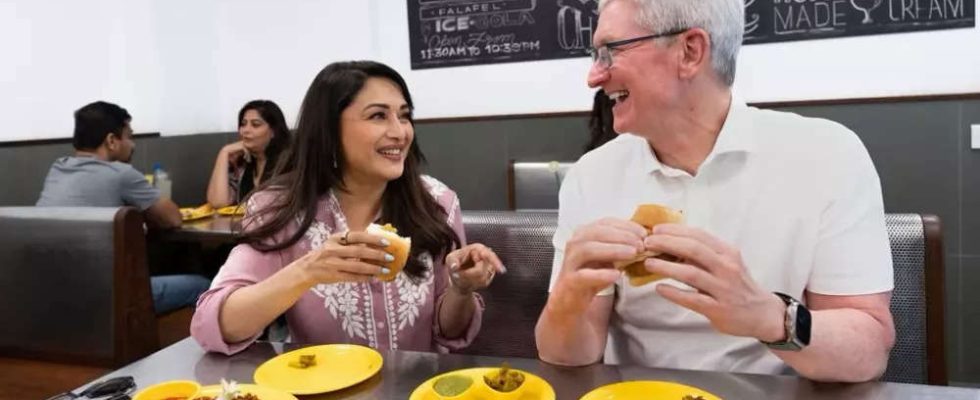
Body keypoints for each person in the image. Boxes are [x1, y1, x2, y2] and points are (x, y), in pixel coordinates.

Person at [535, 0, 895, 383]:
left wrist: (771, 318)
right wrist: (568, 299)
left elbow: (869, 350)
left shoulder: (827, 155)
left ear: (690, 51)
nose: (594, 76)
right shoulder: (592, 176)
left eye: (611, 51)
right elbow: (568, 357)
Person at [191, 61, 505, 355]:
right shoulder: (279, 207)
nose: (400, 131)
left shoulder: (437, 202)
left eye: (404, 115)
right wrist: (308, 270)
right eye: (378, 116)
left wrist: (461, 288)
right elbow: (212, 324)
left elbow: (450, 331)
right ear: (329, 129)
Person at [37, 101, 210, 314]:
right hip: (104, 296)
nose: (133, 144)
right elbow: (173, 219)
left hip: (48, 293)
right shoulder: (120, 173)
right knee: (203, 287)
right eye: (130, 136)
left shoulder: (58, 168)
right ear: (112, 141)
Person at [207, 100, 291, 208]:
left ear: (273, 131)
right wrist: (224, 152)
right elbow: (218, 202)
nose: (246, 130)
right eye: (243, 124)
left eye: (255, 125)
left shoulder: (289, 161)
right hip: (245, 224)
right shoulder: (241, 163)